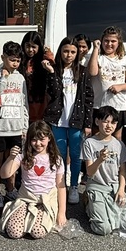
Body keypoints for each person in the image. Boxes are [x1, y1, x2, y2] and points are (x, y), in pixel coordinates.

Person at [42, 37, 94, 205]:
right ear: (60, 51)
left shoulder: (83, 71)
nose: (69, 55)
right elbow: (54, 93)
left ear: (78, 53)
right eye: (66, 51)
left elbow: (88, 98)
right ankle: (61, 184)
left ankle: (73, 187)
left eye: (73, 52)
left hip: (76, 120)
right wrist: (51, 73)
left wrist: (88, 123)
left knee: (76, 155)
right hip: (58, 120)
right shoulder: (54, 70)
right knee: (60, 155)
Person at [0, 121, 67, 239]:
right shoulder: (23, 156)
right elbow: (4, 174)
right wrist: (11, 158)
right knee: (13, 232)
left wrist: (61, 213)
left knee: (37, 232)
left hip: (46, 200)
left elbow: (61, 186)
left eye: (41, 139)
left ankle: (31, 220)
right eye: (34, 140)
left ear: (49, 138)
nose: (38, 144)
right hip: (26, 199)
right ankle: (25, 218)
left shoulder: (57, 159)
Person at [0, 41, 29, 210]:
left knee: (13, 159)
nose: (15, 64)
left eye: (17, 60)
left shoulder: (20, 77)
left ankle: (10, 189)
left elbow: (24, 103)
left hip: (15, 127)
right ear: (3, 57)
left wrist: (24, 126)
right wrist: (2, 80)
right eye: (12, 60)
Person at [81, 106, 126, 235]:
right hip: (96, 186)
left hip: (114, 187)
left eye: (113, 122)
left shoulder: (119, 145)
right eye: (105, 121)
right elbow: (89, 172)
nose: (109, 126)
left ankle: (99, 206)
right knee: (104, 229)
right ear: (97, 122)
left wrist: (121, 190)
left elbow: (123, 171)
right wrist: (100, 159)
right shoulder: (89, 143)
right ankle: (88, 204)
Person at [88, 26, 126, 139]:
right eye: (106, 41)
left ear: (118, 43)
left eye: (113, 41)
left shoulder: (125, 59)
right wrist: (96, 49)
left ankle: (116, 156)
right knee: (97, 136)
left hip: (118, 106)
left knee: (116, 137)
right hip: (99, 105)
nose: (109, 44)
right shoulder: (98, 58)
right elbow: (93, 72)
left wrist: (120, 87)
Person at [20, 31, 53, 123]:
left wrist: (48, 55)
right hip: (24, 104)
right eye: (27, 46)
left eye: (34, 47)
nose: (30, 50)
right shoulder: (19, 61)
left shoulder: (44, 62)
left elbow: (54, 71)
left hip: (40, 104)